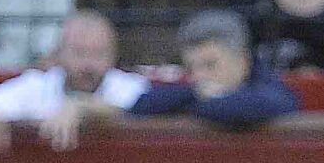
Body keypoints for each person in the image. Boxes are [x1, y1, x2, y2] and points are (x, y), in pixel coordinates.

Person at [0, 9, 151, 149]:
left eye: (99, 54)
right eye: (79, 53)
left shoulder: (132, 86)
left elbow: (136, 110)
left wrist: (81, 107)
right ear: (58, 54)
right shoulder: (38, 84)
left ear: (113, 57)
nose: (88, 65)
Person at [127, 9, 302, 129]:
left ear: (243, 61)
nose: (198, 76)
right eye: (191, 68)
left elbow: (250, 108)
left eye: (210, 65)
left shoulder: (273, 91)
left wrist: (207, 100)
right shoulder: (193, 92)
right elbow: (141, 104)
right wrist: (196, 94)